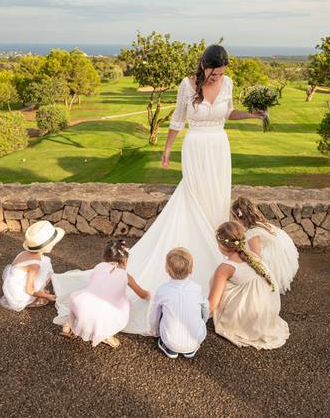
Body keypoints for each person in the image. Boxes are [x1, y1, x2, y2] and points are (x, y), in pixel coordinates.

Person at [53, 44, 265, 335]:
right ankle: (192, 268)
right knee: (194, 200)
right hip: (196, 148)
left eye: (221, 74)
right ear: (203, 66)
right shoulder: (187, 86)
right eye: (213, 73)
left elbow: (227, 113)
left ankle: (221, 262)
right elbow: (178, 120)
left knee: (217, 204)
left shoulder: (227, 83)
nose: (217, 78)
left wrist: (252, 115)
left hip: (219, 148)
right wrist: (166, 150)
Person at [209, 221, 289, 349]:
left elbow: (212, 304)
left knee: (219, 283)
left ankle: (237, 322)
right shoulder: (252, 256)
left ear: (221, 245)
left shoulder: (225, 267)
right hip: (267, 312)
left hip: (250, 319)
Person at [55, 240, 150, 348]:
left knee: (86, 303)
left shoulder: (99, 266)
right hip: (101, 311)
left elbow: (95, 283)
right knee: (123, 307)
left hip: (80, 301)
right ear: (125, 260)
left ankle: (69, 324)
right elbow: (142, 294)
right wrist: (150, 294)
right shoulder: (125, 275)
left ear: (105, 256)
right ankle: (106, 335)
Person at [149, 248, 209, 359]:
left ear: (167, 269)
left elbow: (154, 315)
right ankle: (190, 350)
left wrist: (155, 331)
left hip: (170, 341)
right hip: (196, 339)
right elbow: (205, 308)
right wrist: (203, 321)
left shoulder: (162, 290)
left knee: (162, 310)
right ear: (191, 269)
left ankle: (169, 348)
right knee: (198, 307)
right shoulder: (197, 288)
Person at [231, 197, 299, 293]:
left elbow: (256, 257)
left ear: (237, 216)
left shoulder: (252, 233)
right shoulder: (257, 223)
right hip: (280, 252)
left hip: (271, 258)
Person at [0, 221, 63, 311]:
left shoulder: (24, 253)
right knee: (46, 266)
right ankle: (35, 298)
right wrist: (47, 296)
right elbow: (29, 290)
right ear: (47, 246)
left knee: (45, 262)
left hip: (13, 284)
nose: (54, 244)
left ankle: (39, 291)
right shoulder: (35, 265)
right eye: (53, 243)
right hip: (19, 294)